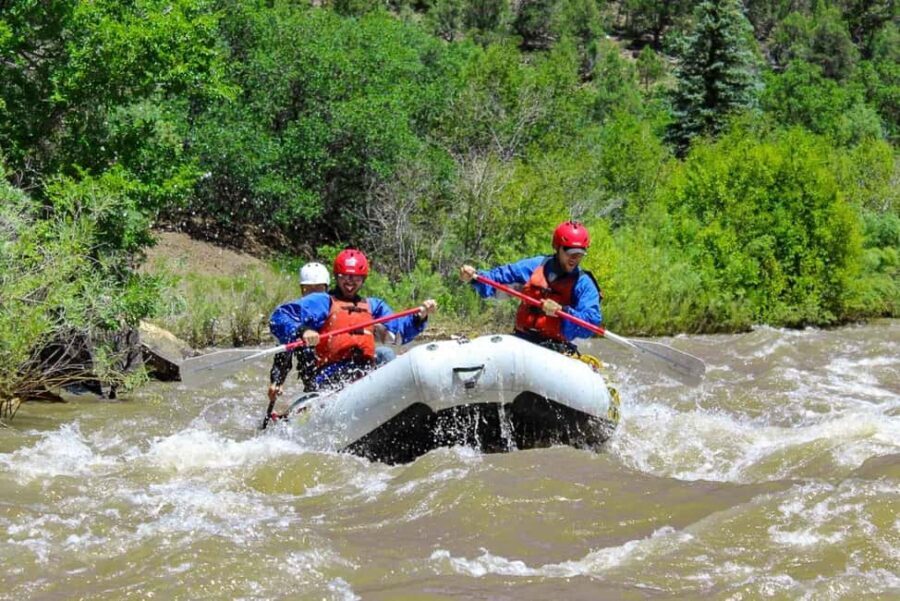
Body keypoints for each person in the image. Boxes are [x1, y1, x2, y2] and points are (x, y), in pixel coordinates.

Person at [270, 248, 437, 392]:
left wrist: (419, 316)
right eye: (345, 277)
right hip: (330, 375)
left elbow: (399, 331)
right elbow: (280, 317)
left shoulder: (374, 306)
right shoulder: (322, 301)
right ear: (337, 277)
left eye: (356, 278)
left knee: (385, 353)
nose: (350, 282)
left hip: (365, 370)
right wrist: (303, 330)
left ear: (363, 280)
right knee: (382, 355)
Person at [458, 220, 601, 353]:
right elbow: (499, 276)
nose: (574, 258)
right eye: (569, 252)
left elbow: (590, 322)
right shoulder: (536, 265)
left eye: (580, 254)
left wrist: (562, 310)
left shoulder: (584, 284)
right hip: (523, 339)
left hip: (556, 349)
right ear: (557, 248)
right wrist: (475, 277)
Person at [267, 262, 331, 403]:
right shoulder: (295, 321)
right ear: (302, 290)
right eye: (309, 289)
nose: (314, 295)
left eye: (318, 289)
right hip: (316, 384)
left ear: (326, 289)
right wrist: (276, 381)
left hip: (340, 369)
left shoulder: (337, 309)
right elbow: (283, 355)